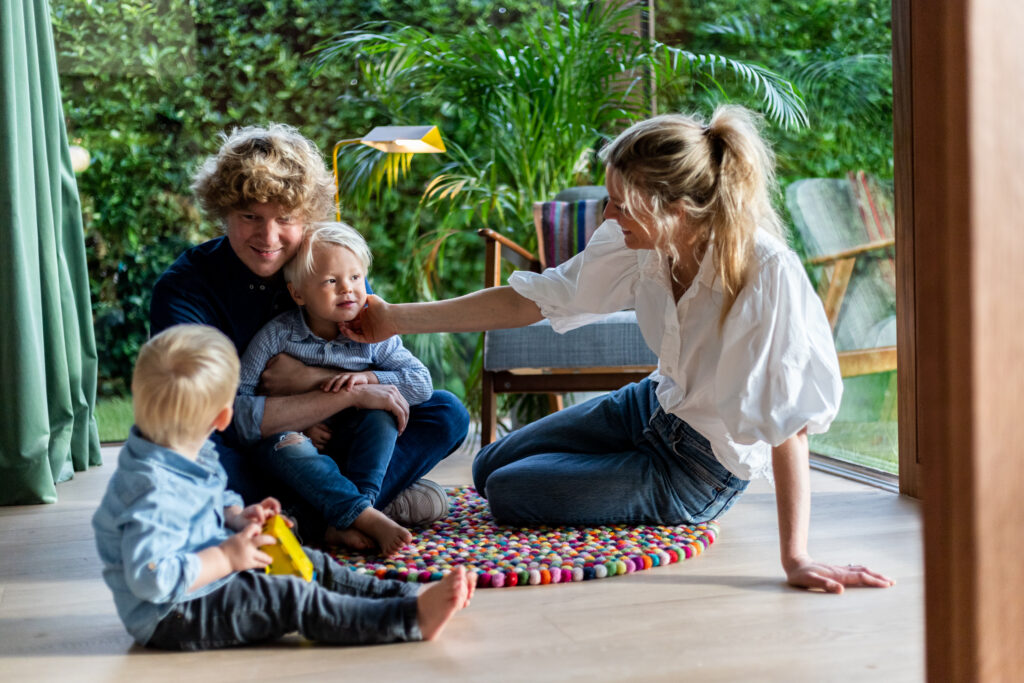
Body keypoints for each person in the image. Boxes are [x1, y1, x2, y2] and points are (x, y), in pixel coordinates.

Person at [340, 106, 894, 594]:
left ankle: (628, 489)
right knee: (488, 465)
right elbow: (536, 299)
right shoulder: (642, 242)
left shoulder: (763, 273)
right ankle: (607, 477)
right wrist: (394, 318)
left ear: (676, 207)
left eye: (623, 205)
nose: (608, 215)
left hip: (700, 470)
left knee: (508, 492)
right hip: (650, 406)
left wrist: (795, 558)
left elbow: (789, 423)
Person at [149, 123, 469, 539]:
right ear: (223, 210)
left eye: (286, 219)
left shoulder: (330, 270)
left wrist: (316, 385)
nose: (268, 237)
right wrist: (347, 394)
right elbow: (211, 419)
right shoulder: (184, 290)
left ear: (308, 216)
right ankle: (358, 507)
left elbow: (393, 376)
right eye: (250, 217)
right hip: (252, 449)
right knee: (184, 455)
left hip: (341, 436)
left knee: (445, 412)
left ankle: (315, 516)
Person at [91, 324, 475, 650]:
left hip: (213, 577)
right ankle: (408, 620)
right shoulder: (150, 489)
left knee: (312, 563)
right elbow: (151, 578)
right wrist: (227, 557)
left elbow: (212, 499)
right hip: (175, 614)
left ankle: (403, 596)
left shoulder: (187, 448)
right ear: (224, 416)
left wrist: (239, 518)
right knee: (291, 596)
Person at [237, 222, 433, 555]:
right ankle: (364, 515)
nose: (348, 290)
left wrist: (371, 380)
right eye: (331, 281)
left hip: (355, 442)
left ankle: (351, 515)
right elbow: (240, 406)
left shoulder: (374, 333)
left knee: (387, 412)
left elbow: (421, 382)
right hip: (295, 443)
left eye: (356, 278)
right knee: (288, 446)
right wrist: (298, 420)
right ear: (298, 293)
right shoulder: (276, 337)